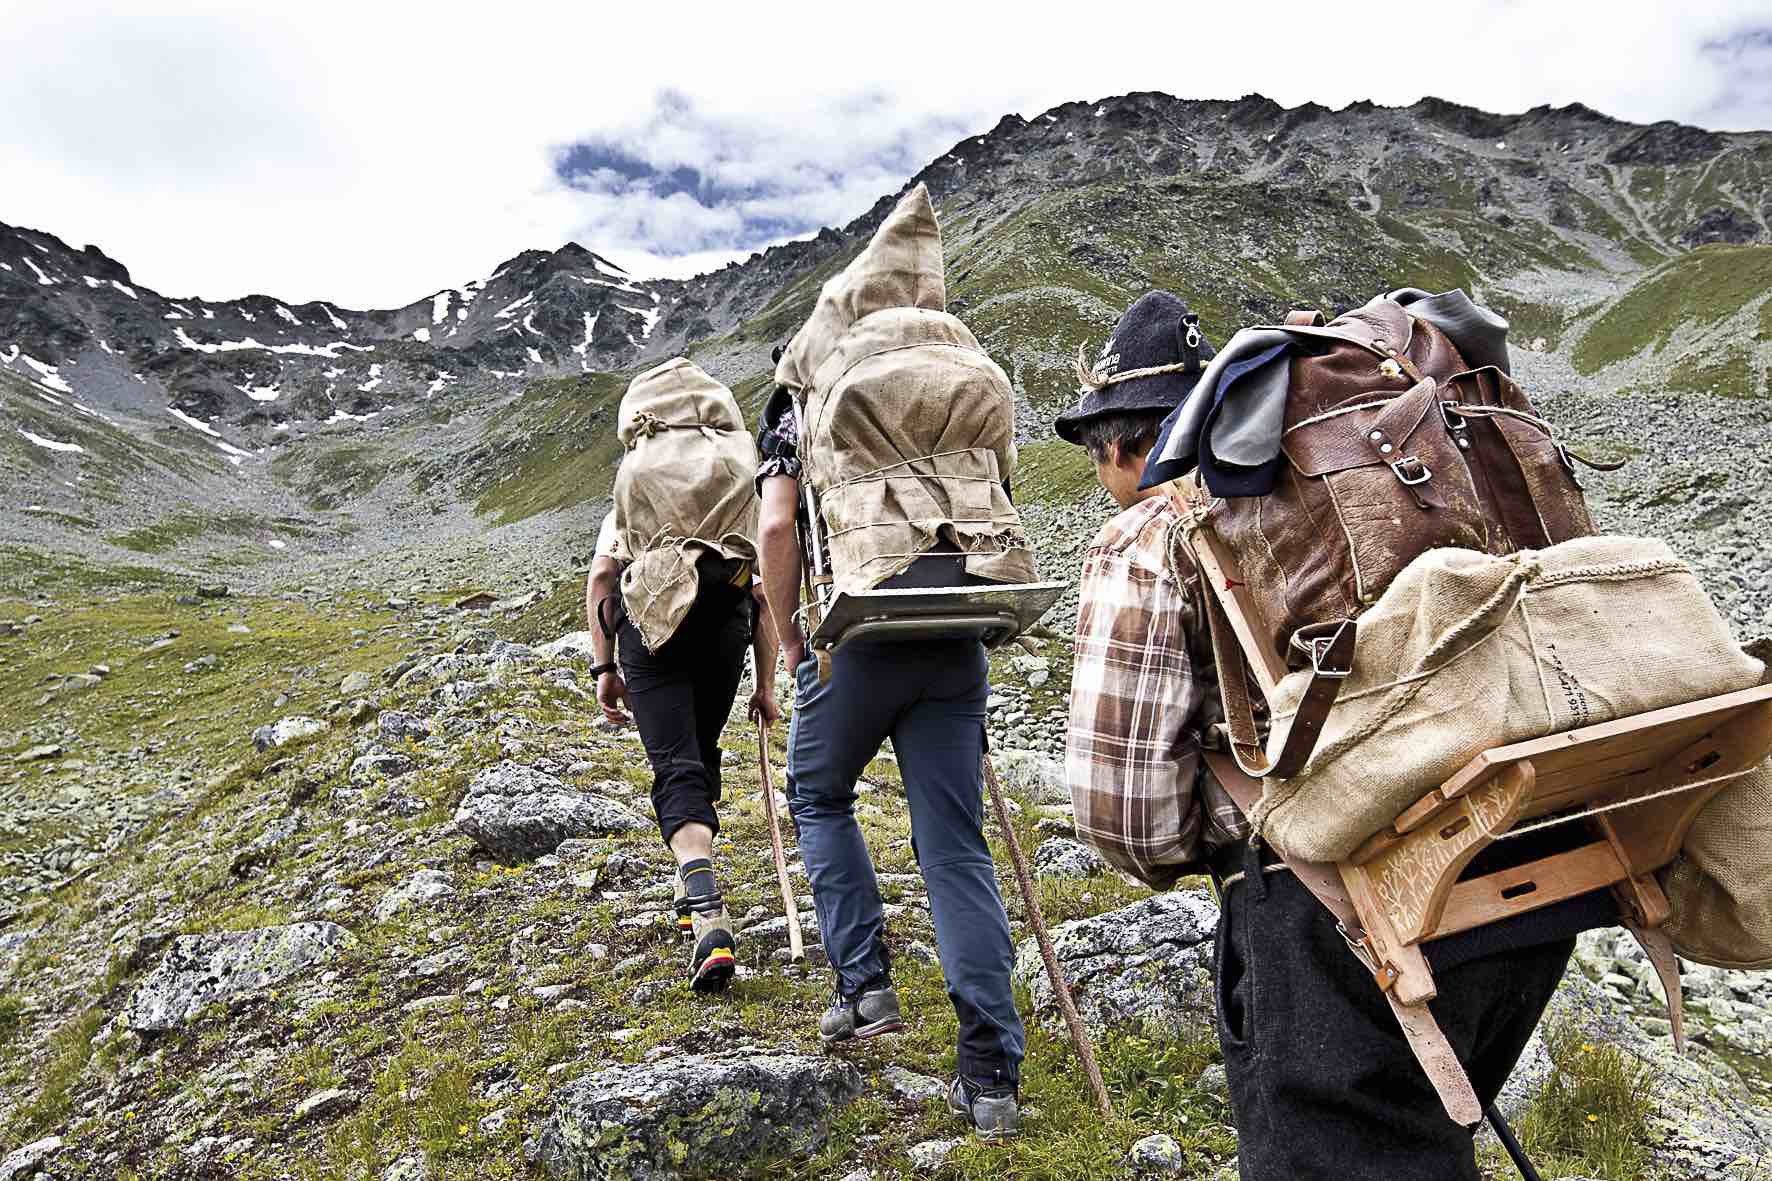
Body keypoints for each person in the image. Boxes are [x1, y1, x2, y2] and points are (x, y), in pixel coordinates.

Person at [1057, 291, 1580, 1181]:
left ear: (1118, 441)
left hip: (1337, 907)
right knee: (1412, 1140)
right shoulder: (1370, 471)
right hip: (1542, 859)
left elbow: (1127, 822)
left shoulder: (1149, 532)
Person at [755, 386, 1027, 1141]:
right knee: (954, 845)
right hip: (955, 629)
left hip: (857, 634)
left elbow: (778, 523)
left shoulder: (799, 400)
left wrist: (789, 643)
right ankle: (991, 1079)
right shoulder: (952, 379)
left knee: (818, 795)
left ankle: (866, 985)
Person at [587, 507, 779, 992]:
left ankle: (707, 909)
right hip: (726, 622)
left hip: (651, 627)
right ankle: (686, 885)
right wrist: (766, 684)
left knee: (675, 762)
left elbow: (602, 578)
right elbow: (762, 593)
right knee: (699, 747)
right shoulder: (732, 495)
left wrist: (604, 670)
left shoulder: (633, 501)